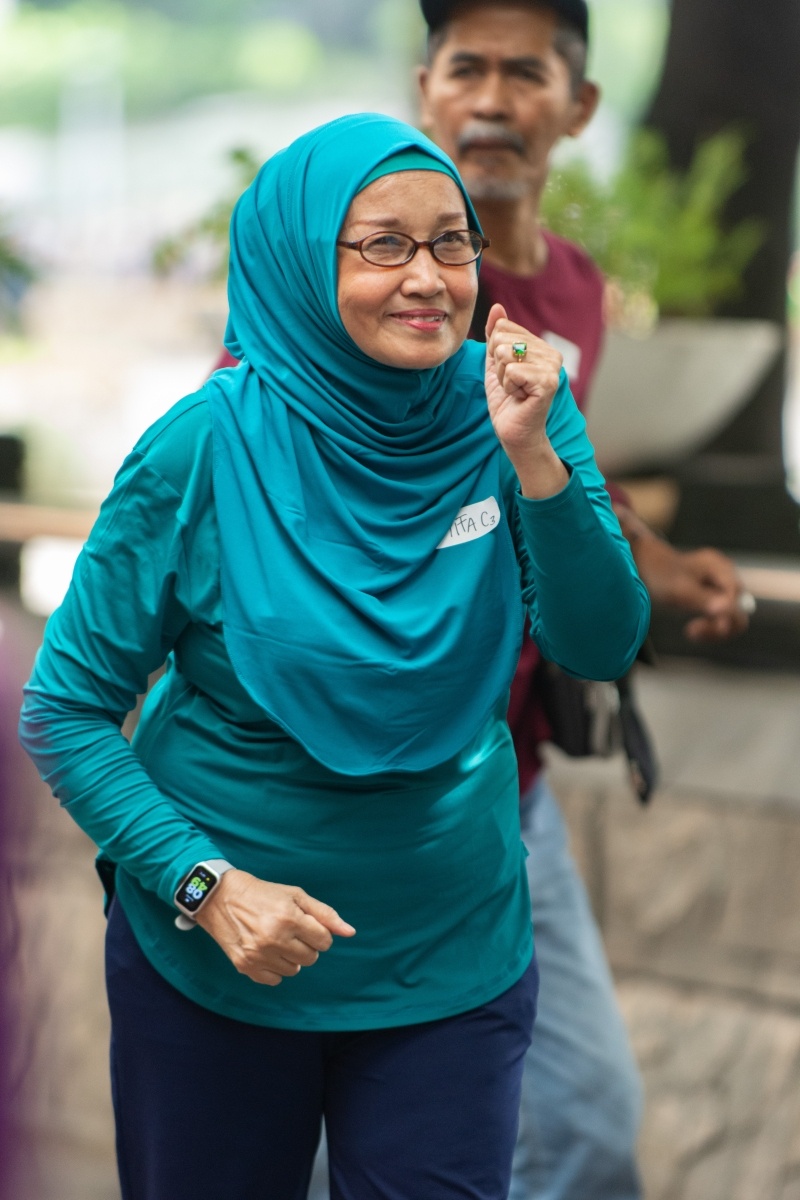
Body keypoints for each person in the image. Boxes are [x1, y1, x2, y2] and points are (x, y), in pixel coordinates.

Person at [19, 113, 649, 1200]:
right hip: (218, 958)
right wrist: (207, 887)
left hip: (451, 953)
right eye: (383, 245)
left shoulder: (517, 410)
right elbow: (64, 708)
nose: (428, 278)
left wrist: (535, 460)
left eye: (451, 242)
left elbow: (599, 643)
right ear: (304, 262)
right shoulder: (202, 447)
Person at [414, 4, 751, 1200]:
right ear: (423, 88)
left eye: (524, 73)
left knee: (586, 1124)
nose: (490, 100)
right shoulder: (386, 285)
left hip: (511, 780)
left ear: (578, 106)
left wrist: (654, 559)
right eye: (465, 69)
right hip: (361, 786)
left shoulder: (571, 288)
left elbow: (563, 474)